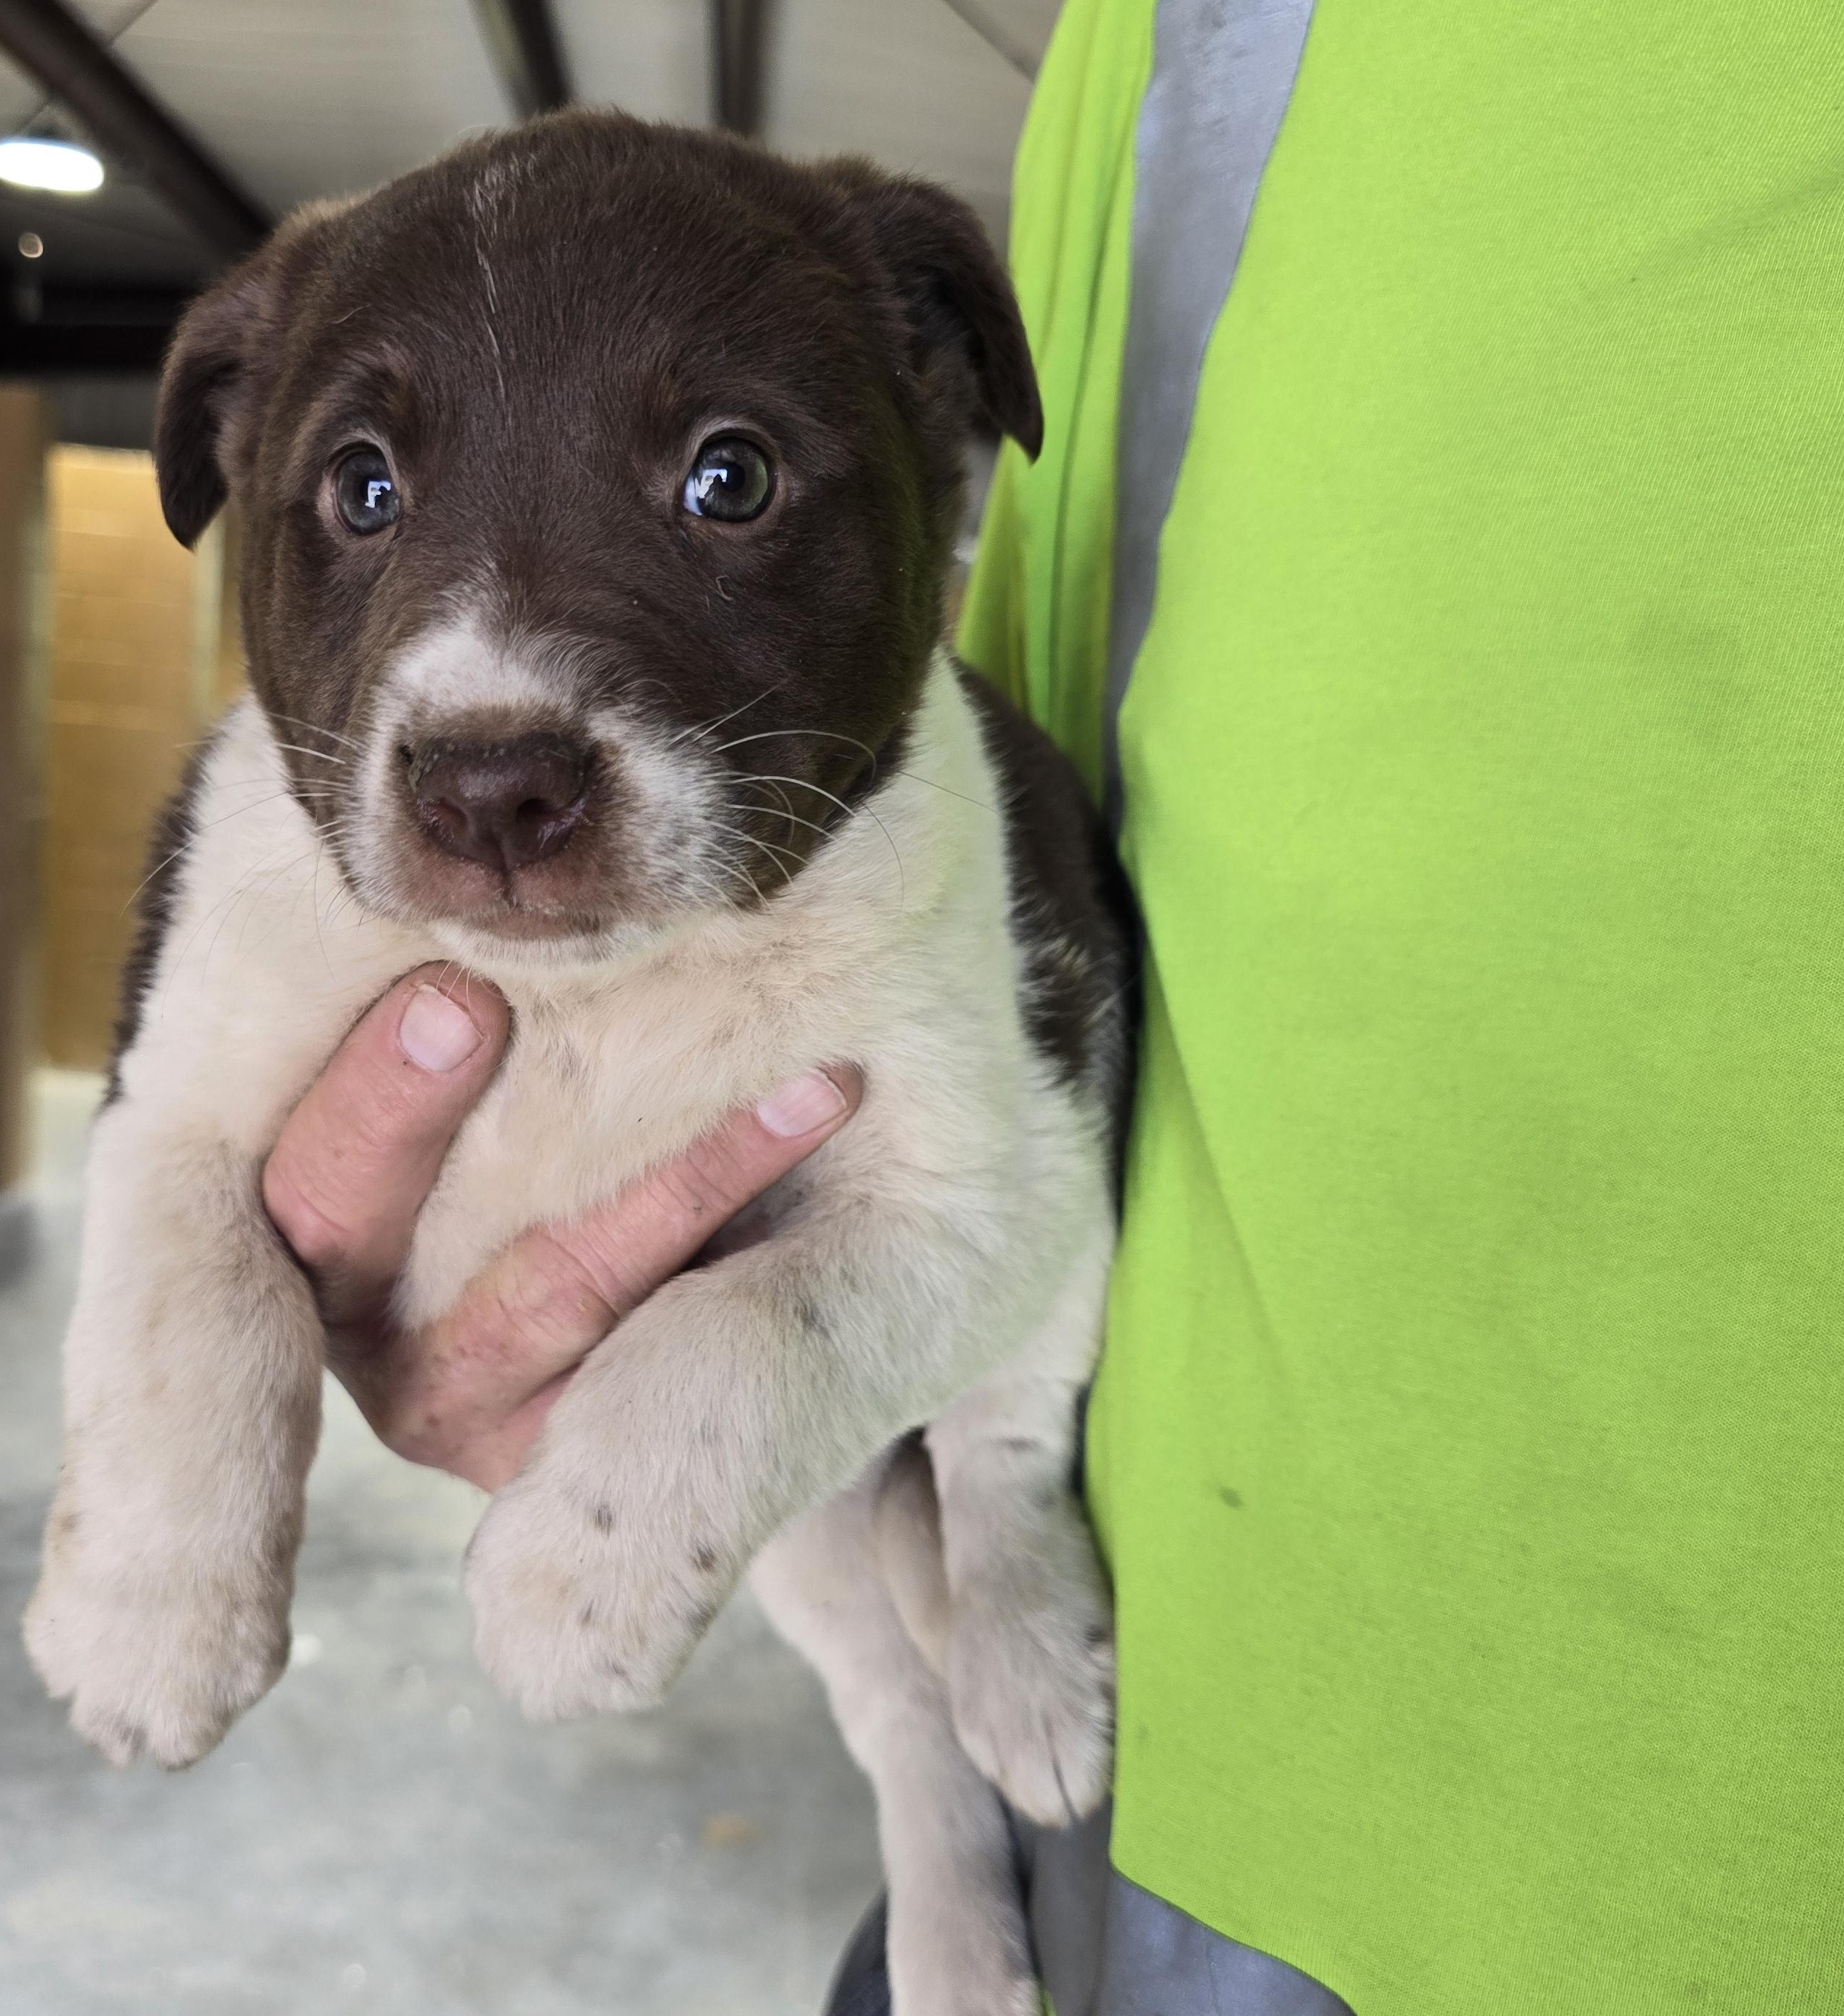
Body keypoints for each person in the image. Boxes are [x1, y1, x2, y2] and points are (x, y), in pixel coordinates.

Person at [264, 0, 1844, 2009]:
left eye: (724, 478)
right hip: (1150, 1706)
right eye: (367, 495)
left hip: (1557, 1730)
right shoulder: (1122, 65)